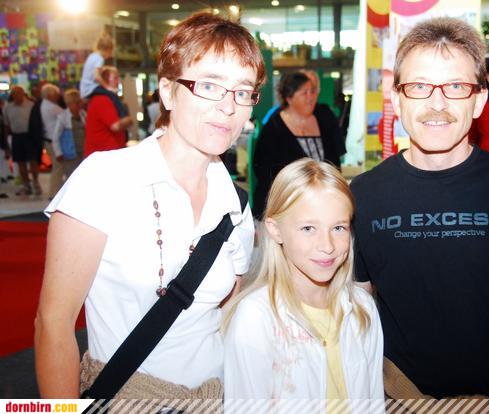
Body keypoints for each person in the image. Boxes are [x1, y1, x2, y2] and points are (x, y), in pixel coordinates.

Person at [34, 11, 265, 399]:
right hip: (127, 397)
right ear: (168, 92)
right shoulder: (104, 178)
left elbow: (226, 315)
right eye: (210, 85)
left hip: (215, 398)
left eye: (242, 92)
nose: (228, 107)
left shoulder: (235, 203)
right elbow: (53, 324)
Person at [351, 17, 489, 399]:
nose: (437, 104)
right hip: (400, 396)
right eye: (419, 86)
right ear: (397, 99)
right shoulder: (363, 196)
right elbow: (353, 317)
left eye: (455, 87)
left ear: (478, 100)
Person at [223, 158, 383, 409]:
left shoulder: (362, 308)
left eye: (338, 228)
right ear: (275, 230)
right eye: (308, 228)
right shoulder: (256, 317)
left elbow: (374, 401)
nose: (327, 246)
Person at [252, 72, 345, 219]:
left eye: (312, 92)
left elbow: (335, 162)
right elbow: (263, 171)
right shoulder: (274, 127)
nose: (310, 97)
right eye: (304, 93)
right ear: (289, 98)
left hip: (323, 204)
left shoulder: (323, 119)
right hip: (285, 207)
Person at [84, 66, 132, 157]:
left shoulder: (108, 98)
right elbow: (116, 126)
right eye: (115, 78)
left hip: (107, 152)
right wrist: (129, 120)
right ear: (105, 80)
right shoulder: (102, 99)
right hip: (103, 155)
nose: (118, 82)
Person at [3, 86, 39, 196]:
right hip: (16, 136)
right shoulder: (8, 107)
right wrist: (6, 144)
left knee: (33, 160)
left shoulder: (31, 105)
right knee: (20, 162)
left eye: (19, 93)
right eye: (15, 94)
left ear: (23, 94)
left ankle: (36, 183)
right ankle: (26, 185)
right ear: (12, 96)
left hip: (30, 136)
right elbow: (6, 125)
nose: (17, 96)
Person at [50, 88, 86, 181]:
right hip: (70, 154)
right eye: (76, 103)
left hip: (83, 152)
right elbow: (56, 137)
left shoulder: (84, 114)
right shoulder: (63, 117)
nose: (78, 105)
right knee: (71, 178)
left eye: (79, 102)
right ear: (69, 104)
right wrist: (58, 153)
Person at [40, 84, 65, 198]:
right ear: (50, 95)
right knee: (58, 167)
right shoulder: (52, 107)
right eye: (56, 94)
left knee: (57, 167)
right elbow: (66, 116)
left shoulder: (44, 105)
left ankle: (56, 191)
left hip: (48, 139)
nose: (58, 96)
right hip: (53, 140)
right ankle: (54, 193)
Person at [80, 33, 114, 100]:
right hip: (91, 88)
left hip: (84, 88)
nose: (110, 56)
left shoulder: (92, 56)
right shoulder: (100, 59)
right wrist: (108, 87)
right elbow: (97, 76)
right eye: (110, 53)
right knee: (112, 95)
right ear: (107, 50)